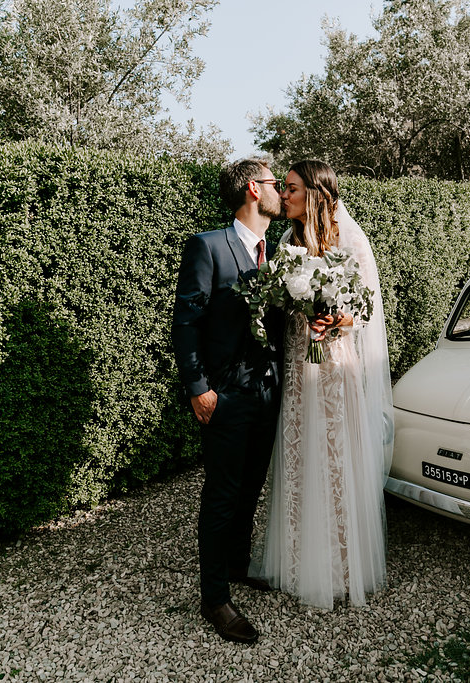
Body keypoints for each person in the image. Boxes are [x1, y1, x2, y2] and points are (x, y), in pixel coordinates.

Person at [256, 160, 393, 609]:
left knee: (334, 458)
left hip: (334, 366)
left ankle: (338, 566)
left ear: (315, 192)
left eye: (291, 188)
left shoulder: (351, 240)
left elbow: (367, 311)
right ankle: (297, 562)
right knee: (299, 455)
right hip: (299, 364)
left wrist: (337, 319)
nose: (285, 195)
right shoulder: (286, 242)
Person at [171, 158, 285, 644]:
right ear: (253, 191)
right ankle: (214, 598)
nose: (281, 190)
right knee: (221, 495)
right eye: (275, 183)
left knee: (251, 487)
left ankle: (237, 566)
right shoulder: (207, 247)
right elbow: (186, 322)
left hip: (267, 391)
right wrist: (198, 388)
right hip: (225, 395)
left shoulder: (277, 253)